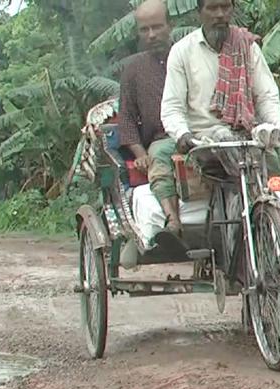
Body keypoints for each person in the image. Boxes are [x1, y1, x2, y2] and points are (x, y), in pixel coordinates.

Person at [159, 0, 280, 269]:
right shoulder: (182, 52)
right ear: (200, 12)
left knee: (273, 170)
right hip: (206, 143)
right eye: (212, 8)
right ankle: (277, 241)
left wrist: (275, 125)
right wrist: (183, 134)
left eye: (225, 7)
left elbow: (266, 95)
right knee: (233, 150)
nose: (220, 14)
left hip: (247, 134)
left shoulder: (247, 46)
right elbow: (172, 107)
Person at [117, 0, 174, 267]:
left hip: (194, 136)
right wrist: (140, 154)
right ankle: (170, 220)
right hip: (158, 144)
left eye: (157, 27)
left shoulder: (185, 56)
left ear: (169, 25)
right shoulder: (132, 70)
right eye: (144, 29)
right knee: (159, 162)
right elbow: (126, 119)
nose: (151, 35)